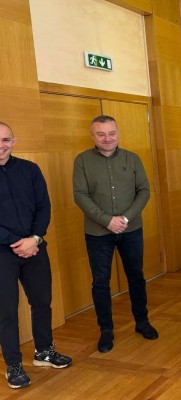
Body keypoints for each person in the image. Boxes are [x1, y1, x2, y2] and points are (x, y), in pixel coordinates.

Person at [73, 115, 158, 354]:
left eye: (111, 133)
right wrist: (107, 220)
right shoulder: (82, 161)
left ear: (118, 133)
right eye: (101, 134)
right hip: (97, 233)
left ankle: (142, 321)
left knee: (136, 277)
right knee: (100, 282)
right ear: (92, 135)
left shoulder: (133, 159)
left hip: (131, 230)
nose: (107, 138)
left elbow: (144, 190)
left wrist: (125, 218)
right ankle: (106, 330)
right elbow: (80, 195)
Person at [0, 122, 72, 389]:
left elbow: (44, 207)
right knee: (6, 310)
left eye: (5, 140)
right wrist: (16, 241)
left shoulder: (30, 170)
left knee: (42, 302)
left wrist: (35, 239)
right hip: (2, 252)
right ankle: (13, 365)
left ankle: (44, 352)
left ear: (14, 141)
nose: (1, 146)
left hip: (35, 247)